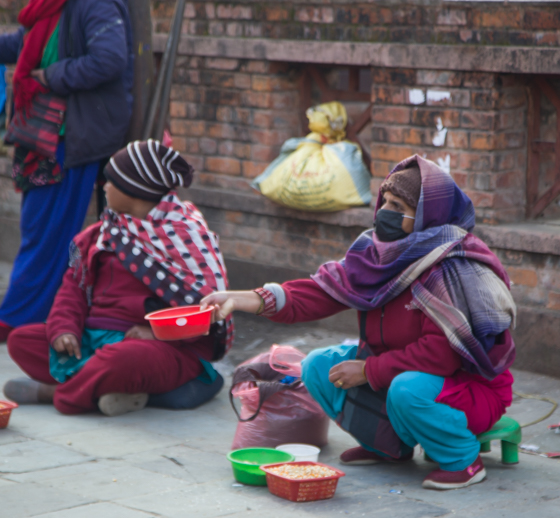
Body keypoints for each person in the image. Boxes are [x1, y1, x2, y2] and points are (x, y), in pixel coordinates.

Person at [200, 155, 516, 490]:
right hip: (399, 374)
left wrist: (368, 371)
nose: (385, 212)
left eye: (399, 205)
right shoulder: (378, 256)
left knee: (407, 389)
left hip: (466, 389)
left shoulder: (453, 266)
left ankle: (462, 460)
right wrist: (245, 299)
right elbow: (319, 291)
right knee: (318, 366)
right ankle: (388, 447)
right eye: (385, 201)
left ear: (427, 215)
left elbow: (443, 354)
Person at [3, 140, 234, 416]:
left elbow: (208, 311)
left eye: (111, 182)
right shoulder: (98, 234)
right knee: (22, 340)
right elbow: (72, 288)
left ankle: (57, 394)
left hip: (158, 348)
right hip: (95, 339)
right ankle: (110, 388)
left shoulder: (187, 236)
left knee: (120, 360)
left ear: (135, 190)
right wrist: (64, 329)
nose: (103, 187)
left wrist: (156, 334)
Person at [0, 0, 134, 341]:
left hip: (69, 136)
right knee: (39, 226)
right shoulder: (51, 8)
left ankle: (21, 318)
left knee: (49, 229)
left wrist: (49, 75)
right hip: (43, 133)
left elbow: (109, 59)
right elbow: (27, 42)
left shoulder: (95, 4)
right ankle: (33, 313)